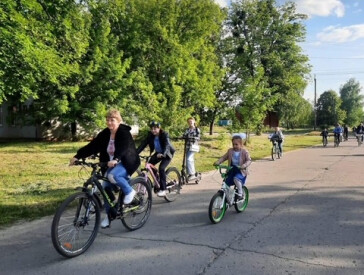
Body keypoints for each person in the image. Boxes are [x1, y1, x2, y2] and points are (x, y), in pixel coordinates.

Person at [69, 109, 140, 228]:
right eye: (107, 120)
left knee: (113, 176)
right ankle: (110, 215)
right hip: (110, 163)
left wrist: (116, 159)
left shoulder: (123, 132)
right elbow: (93, 145)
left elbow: (123, 148)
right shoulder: (105, 133)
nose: (109, 123)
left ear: (119, 121)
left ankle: (130, 191)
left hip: (126, 162)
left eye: (112, 120)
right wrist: (77, 156)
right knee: (105, 188)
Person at [137, 121, 175, 197]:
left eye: (155, 128)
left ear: (159, 128)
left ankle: (163, 189)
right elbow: (143, 144)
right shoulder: (151, 135)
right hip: (158, 153)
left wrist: (163, 154)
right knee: (150, 165)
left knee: (161, 168)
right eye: (152, 129)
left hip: (167, 153)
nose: (153, 130)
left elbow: (167, 145)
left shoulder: (164, 134)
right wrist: (135, 153)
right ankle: (158, 181)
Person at [214, 135, 251, 200]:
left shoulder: (244, 152)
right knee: (226, 182)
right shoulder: (230, 151)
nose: (234, 146)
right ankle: (228, 197)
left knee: (236, 179)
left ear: (241, 144)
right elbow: (224, 157)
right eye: (233, 144)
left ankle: (240, 193)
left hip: (240, 171)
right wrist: (218, 162)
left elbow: (249, 160)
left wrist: (244, 166)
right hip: (232, 170)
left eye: (236, 144)